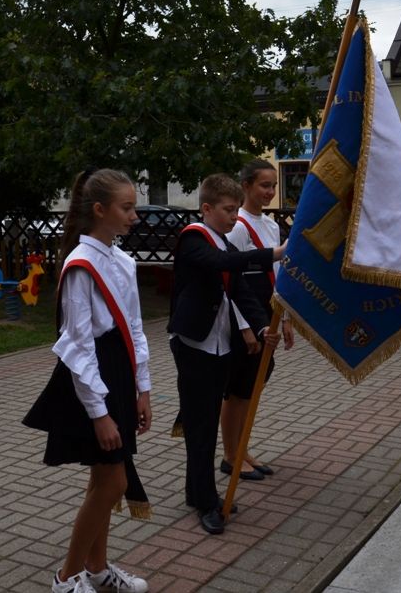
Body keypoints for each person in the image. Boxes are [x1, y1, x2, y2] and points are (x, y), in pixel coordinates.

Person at [23, 169, 152, 593]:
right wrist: (99, 413)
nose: (134, 216)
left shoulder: (122, 260)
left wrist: (143, 388)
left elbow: (135, 328)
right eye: (126, 208)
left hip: (118, 371)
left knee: (102, 480)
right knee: (114, 482)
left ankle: (96, 570)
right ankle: (66, 578)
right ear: (99, 209)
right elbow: (78, 346)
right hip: (92, 378)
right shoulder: (81, 265)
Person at [168, 173, 284, 535]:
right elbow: (220, 264)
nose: (235, 217)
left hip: (219, 346)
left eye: (236, 210)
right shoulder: (194, 238)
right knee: (201, 428)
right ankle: (206, 500)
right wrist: (274, 253)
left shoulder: (222, 242)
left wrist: (261, 326)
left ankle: (196, 492)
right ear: (206, 208)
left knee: (202, 424)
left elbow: (241, 290)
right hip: (195, 348)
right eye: (228, 210)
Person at [221, 159, 294, 480]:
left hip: (267, 315)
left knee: (254, 386)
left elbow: (278, 274)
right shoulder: (237, 226)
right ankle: (230, 455)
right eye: (265, 185)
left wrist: (284, 316)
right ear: (246, 185)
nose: (270, 191)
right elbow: (231, 280)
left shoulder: (271, 225)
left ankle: (243, 449)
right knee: (238, 390)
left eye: (274, 186)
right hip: (246, 320)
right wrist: (245, 328)